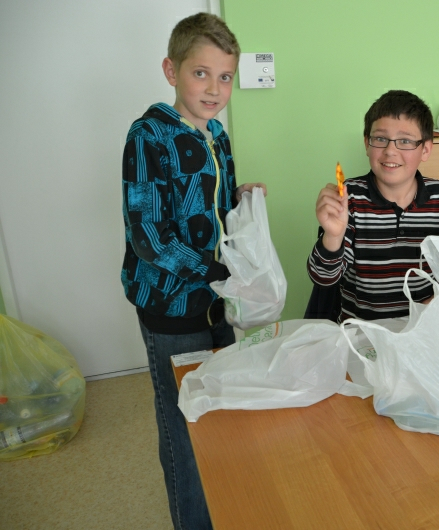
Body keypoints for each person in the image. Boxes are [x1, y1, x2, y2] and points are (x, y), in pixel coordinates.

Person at [120, 13, 265, 530]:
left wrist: (241, 198)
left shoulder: (218, 135)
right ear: (171, 70)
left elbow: (212, 207)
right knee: (183, 426)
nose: (214, 89)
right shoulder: (148, 136)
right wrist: (215, 269)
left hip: (215, 301)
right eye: (200, 73)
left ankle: (225, 510)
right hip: (171, 308)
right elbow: (149, 236)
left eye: (225, 77)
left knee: (218, 412)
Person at [307, 90, 439, 322]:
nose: (390, 150)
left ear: (426, 149)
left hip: (423, 328)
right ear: (366, 144)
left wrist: (435, 305)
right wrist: (333, 235)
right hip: (362, 332)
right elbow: (323, 278)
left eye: (405, 141)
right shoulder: (349, 199)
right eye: (380, 139)